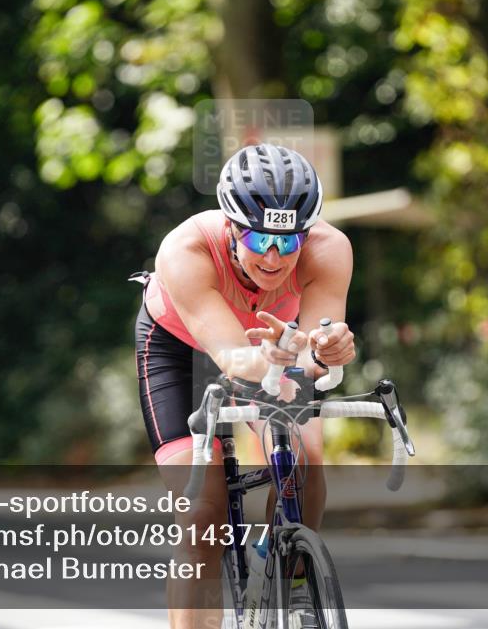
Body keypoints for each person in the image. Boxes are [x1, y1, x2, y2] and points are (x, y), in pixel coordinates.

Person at [134, 143, 356, 629]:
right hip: (183, 351)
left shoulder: (329, 249)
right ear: (232, 227)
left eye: (288, 242)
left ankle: (288, 581)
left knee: (305, 469)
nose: (274, 258)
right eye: (259, 240)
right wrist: (280, 359)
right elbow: (232, 359)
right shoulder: (186, 249)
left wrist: (326, 352)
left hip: (273, 348)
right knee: (203, 516)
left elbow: (314, 351)